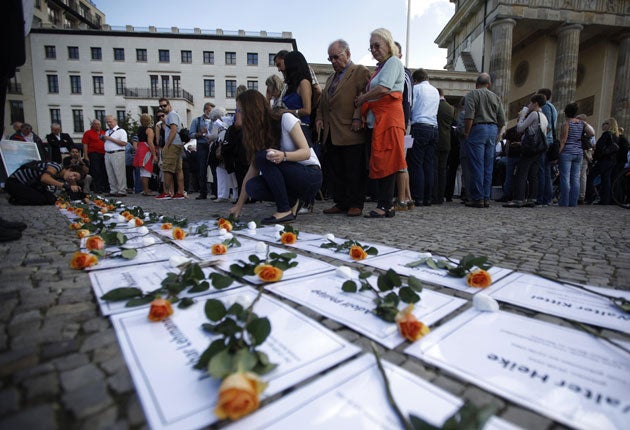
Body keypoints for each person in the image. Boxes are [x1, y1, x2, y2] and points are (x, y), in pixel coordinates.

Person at [228, 90, 322, 224]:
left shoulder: (285, 119)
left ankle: (284, 210)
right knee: (252, 186)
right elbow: (251, 172)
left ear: (251, 111)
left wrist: (283, 156)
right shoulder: (259, 134)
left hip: (310, 175)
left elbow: (305, 152)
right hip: (290, 178)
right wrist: (238, 206)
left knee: (263, 156)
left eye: (239, 110)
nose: (237, 114)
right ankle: (292, 201)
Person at [355, 28, 407, 218]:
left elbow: (384, 88)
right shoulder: (382, 67)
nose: (374, 50)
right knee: (381, 159)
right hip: (379, 120)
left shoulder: (393, 62)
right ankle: (385, 204)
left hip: (388, 119)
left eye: (377, 45)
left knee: (387, 160)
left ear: (388, 44)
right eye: (371, 47)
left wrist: (362, 99)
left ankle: (385, 205)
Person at [316, 39, 370, 217]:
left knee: (353, 169)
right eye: (330, 58)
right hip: (331, 132)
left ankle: (356, 203)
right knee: (336, 170)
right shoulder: (331, 78)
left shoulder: (359, 71)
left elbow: (363, 95)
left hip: (351, 129)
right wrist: (319, 118)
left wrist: (357, 116)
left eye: (336, 57)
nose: (333, 61)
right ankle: (341, 202)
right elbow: (324, 103)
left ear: (347, 54)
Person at [463, 73, 506, 208]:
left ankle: (478, 198)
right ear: (489, 84)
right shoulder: (495, 97)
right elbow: (502, 120)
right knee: (488, 166)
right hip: (492, 129)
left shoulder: (472, 95)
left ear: (477, 84)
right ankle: (486, 197)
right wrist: (496, 133)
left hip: (477, 129)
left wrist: (467, 132)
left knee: (477, 165)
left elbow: (469, 116)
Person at [503, 94, 549, 208]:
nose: (529, 105)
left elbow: (520, 128)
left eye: (530, 103)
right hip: (539, 148)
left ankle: (519, 199)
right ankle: (531, 198)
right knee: (533, 174)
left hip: (530, 147)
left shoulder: (534, 114)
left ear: (535, 103)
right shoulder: (543, 116)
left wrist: (522, 115)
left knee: (521, 172)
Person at [407, 68, 439, 207]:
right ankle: (428, 198)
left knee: (416, 164)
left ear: (415, 80)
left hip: (420, 126)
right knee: (429, 164)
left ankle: (418, 197)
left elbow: (411, 107)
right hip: (433, 128)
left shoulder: (416, 89)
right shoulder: (435, 91)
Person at [558, 102, 594, 207]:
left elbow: (563, 140)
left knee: (565, 177)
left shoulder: (567, 124)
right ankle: (573, 202)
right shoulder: (581, 123)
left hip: (567, 152)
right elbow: (591, 133)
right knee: (575, 178)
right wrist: (584, 124)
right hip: (578, 152)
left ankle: (564, 201)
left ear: (566, 113)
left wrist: (558, 153)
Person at [5, 160, 83, 205]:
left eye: (75, 179)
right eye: (74, 175)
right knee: (41, 199)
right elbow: (44, 178)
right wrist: (65, 186)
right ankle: (16, 199)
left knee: (51, 199)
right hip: (14, 183)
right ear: (69, 169)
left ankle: (20, 196)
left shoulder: (59, 176)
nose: (72, 178)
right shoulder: (57, 166)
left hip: (25, 184)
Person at [393, 41, 413, 212]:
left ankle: (402, 199)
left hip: (403, 123)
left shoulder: (404, 73)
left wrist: (405, 124)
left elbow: (407, 101)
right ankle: (407, 197)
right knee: (402, 162)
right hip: (402, 122)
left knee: (401, 162)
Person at [155, 98, 186, 200]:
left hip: (173, 144)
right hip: (176, 143)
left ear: (169, 104)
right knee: (178, 169)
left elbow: (173, 130)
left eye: (164, 105)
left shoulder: (172, 115)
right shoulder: (173, 115)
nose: (162, 108)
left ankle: (167, 192)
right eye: (161, 106)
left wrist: (167, 145)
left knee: (167, 168)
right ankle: (180, 192)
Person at [585, 118, 620, 205]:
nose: (603, 125)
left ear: (610, 125)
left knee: (590, 177)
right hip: (611, 161)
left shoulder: (606, 134)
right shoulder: (616, 136)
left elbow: (599, 148)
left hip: (603, 160)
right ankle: (605, 199)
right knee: (606, 179)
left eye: (605, 123)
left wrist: (594, 158)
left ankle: (590, 196)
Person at [188, 102, 215, 199]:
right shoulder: (197, 120)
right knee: (202, 169)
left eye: (212, 111)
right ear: (205, 110)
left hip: (212, 145)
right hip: (202, 145)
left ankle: (216, 193)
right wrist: (200, 133)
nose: (210, 112)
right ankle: (203, 192)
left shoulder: (214, 121)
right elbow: (190, 134)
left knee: (214, 169)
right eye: (209, 110)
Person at [537, 88, 557, 206]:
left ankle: (543, 198)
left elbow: (547, 126)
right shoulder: (552, 107)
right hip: (550, 141)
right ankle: (547, 198)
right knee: (547, 172)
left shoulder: (545, 107)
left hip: (545, 141)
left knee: (542, 171)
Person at [434, 88, 455, 204]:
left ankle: (434, 194)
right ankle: (441, 196)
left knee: (434, 169)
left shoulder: (435, 106)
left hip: (436, 139)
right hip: (446, 141)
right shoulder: (450, 108)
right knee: (443, 170)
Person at [102, 115, 128, 197]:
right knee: (110, 173)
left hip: (117, 153)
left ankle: (122, 190)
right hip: (108, 153)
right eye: (107, 122)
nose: (109, 123)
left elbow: (124, 143)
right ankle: (113, 189)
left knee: (119, 173)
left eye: (110, 121)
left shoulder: (121, 131)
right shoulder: (107, 132)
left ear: (115, 121)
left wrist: (110, 139)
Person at [133, 113, 157, 196]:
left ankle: (144, 189)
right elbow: (150, 142)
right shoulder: (149, 130)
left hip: (140, 148)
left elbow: (136, 140)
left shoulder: (139, 129)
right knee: (146, 170)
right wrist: (154, 154)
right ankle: (146, 190)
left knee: (142, 171)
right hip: (146, 149)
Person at [82, 119, 107, 194]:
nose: (97, 126)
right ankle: (97, 188)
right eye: (95, 124)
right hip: (94, 153)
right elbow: (85, 144)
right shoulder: (88, 133)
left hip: (104, 153)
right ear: (92, 125)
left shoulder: (103, 133)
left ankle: (105, 187)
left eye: (98, 124)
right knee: (96, 171)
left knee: (104, 170)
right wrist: (86, 155)